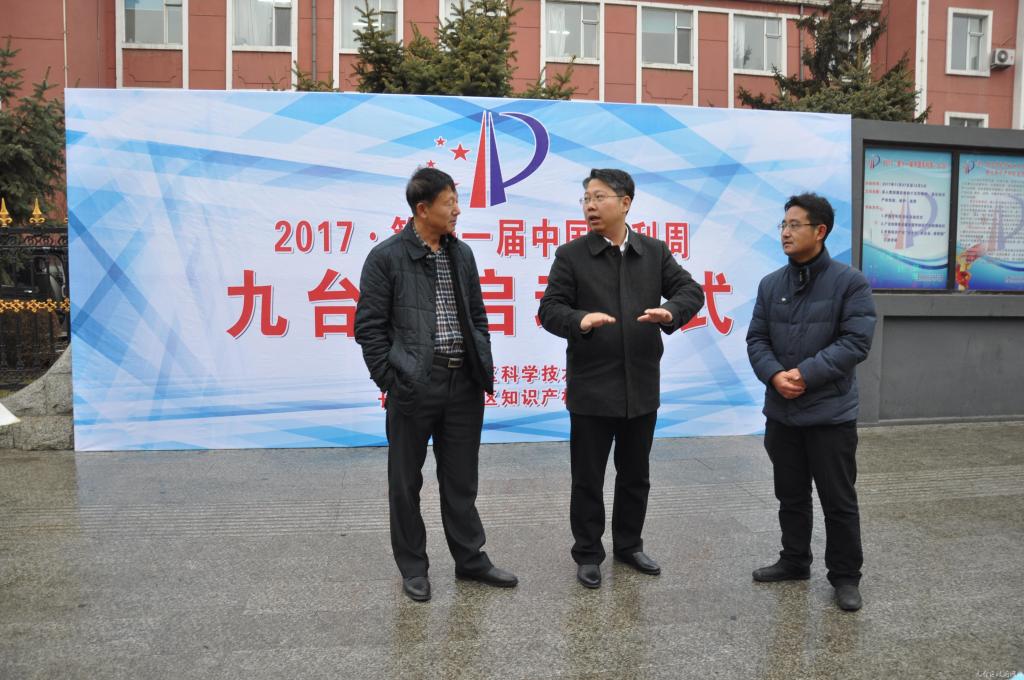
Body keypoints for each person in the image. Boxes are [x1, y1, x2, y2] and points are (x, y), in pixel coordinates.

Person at [354, 168, 518, 602]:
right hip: (413, 386)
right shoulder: (386, 257)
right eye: (450, 203)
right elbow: (369, 328)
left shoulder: (462, 254)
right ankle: (414, 567)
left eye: (457, 201)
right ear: (423, 209)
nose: (457, 210)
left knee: (461, 479)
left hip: (462, 384)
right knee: (405, 482)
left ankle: (471, 560)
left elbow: (478, 316)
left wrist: (480, 359)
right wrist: (393, 380)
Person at [538, 168, 705, 589]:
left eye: (599, 198)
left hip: (641, 386)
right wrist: (580, 320)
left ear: (625, 203)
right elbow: (550, 310)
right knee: (588, 479)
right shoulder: (571, 256)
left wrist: (671, 312)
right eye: (586, 199)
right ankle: (588, 553)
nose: (590, 206)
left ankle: (629, 546)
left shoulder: (653, 252)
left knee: (635, 476)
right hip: (592, 388)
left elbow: (691, 291)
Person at [746, 192, 877, 612]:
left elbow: (855, 342)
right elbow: (757, 339)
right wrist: (774, 375)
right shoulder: (771, 284)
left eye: (794, 225)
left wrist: (804, 374)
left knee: (838, 500)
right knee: (790, 494)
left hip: (830, 414)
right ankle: (794, 560)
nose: (785, 232)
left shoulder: (849, 282)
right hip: (782, 412)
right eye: (783, 224)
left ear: (820, 231)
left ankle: (845, 576)